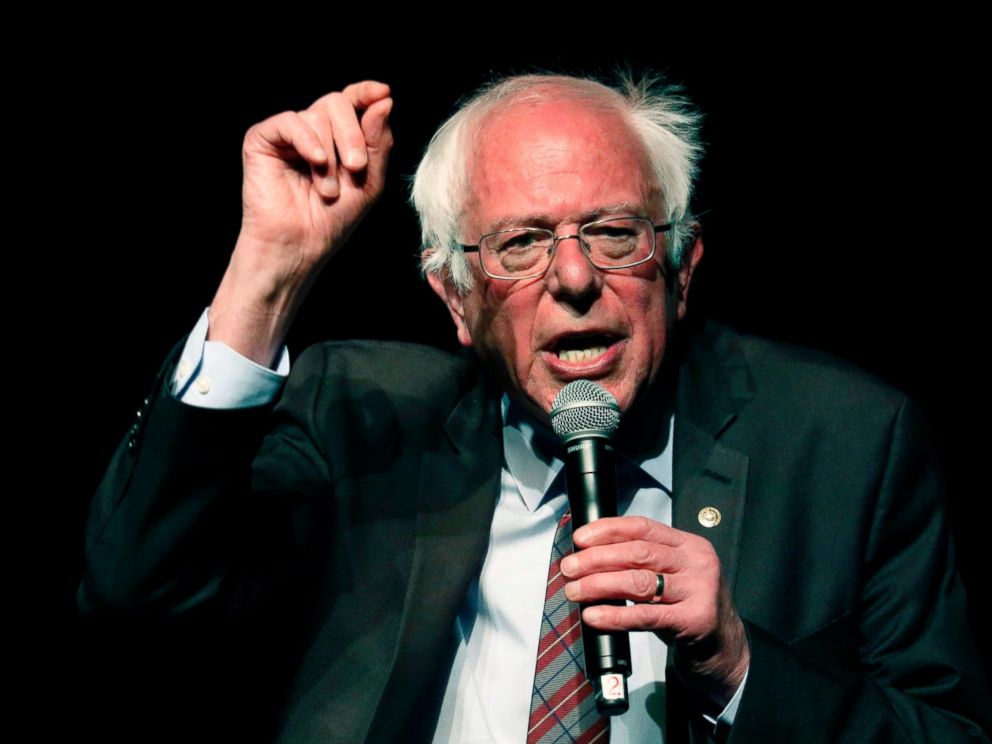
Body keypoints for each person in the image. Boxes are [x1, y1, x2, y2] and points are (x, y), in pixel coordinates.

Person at [79, 73, 991, 742]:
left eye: (613, 232)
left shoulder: (845, 440)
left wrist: (739, 667)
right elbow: (138, 594)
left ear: (681, 267)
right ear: (455, 299)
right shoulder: (364, 416)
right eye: (519, 243)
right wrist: (267, 274)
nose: (574, 277)